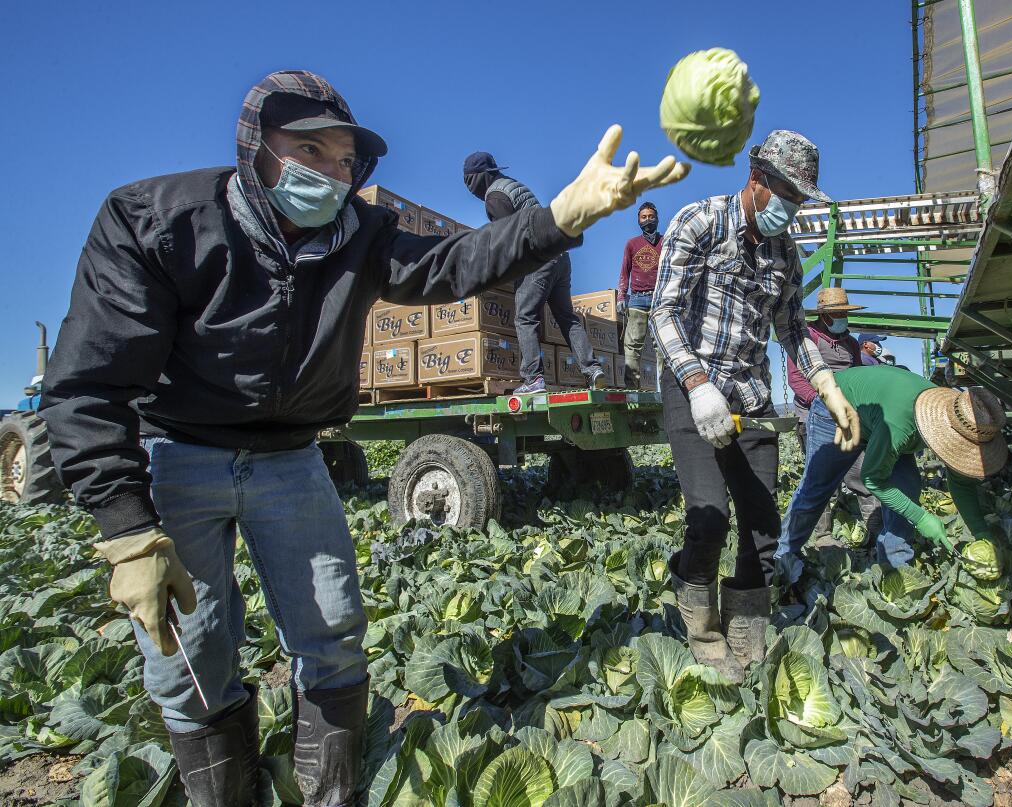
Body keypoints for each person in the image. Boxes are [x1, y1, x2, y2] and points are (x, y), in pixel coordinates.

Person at [38, 70, 688, 807]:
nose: (331, 172)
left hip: (290, 454)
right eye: (309, 149)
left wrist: (559, 218)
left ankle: (331, 795)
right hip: (178, 450)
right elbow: (87, 386)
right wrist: (126, 531)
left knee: (336, 627)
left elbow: (451, 266)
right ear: (256, 145)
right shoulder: (155, 222)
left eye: (346, 161)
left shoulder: (360, 234)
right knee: (189, 655)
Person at [650, 130, 860, 684]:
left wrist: (828, 387)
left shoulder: (784, 253)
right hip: (690, 386)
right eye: (788, 193)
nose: (792, 208)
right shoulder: (699, 222)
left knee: (764, 525)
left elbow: (792, 328)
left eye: (800, 198)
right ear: (758, 177)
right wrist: (697, 383)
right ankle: (700, 628)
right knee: (710, 517)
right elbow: (663, 312)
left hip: (750, 396)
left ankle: (746, 627)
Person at [777, 365, 1007, 571]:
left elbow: (961, 483)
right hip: (838, 408)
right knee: (817, 489)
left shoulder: (958, 418)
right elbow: (873, 479)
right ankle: (783, 558)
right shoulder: (902, 425)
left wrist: (980, 531)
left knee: (906, 488)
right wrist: (921, 517)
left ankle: (895, 567)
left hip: (882, 417)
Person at [463, 152, 604, 393]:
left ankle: (533, 379)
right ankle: (592, 370)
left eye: (469, 181)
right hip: (560, 257)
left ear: (479, 178)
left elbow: (508, 238)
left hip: (539, 261)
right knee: (566, 317)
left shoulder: (495, 196)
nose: (469, 188)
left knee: (525, 317)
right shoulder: (513, 185)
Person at [785, 287, 880, 542]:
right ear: (824, 315)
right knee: (821, 478)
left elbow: (860, 379)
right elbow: (797, 380)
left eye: (844, 313)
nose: (842, 318)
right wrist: (825, 405)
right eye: (837, 313)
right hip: (814, 419)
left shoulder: (850, 343)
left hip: (849, 419)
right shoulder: (808, 339)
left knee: (861, 474)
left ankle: (876, 531)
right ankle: (822, 535)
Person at [617, 202, 664, 388]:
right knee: (632, 347)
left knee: (661, 348)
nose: (647, 220)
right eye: (644, 217)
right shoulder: (632, 244)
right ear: (638, 220)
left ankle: (666, 393)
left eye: (651, 217)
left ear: (657, 219)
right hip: (637, 299)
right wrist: (621, 296)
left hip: (659, 301)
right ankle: (632, 390)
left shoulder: (665, 242)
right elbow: (624, 272)